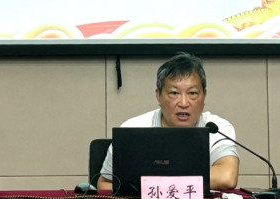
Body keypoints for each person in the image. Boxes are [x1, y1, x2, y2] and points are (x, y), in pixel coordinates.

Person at [97, 52, 239, 191]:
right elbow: (104, 184)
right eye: (174, 93)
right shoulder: (133, 129)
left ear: (204, 96)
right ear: (159, 96)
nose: (184, 103)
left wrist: (153, 183)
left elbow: (227, 177)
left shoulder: (216, 128)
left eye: (192, 93)